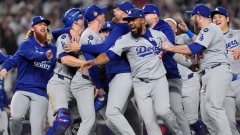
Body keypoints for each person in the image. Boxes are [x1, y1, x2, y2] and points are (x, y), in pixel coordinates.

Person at [80, 8, 183, 135]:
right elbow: (108, 55)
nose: (130, 23)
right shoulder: (125, 39)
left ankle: (178, 133)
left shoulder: (158, 35)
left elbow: (172, 52)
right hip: (140, 84)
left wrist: (190, 64)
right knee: (149, 121)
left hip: (158, 80)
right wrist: (93, 62)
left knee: (163, 111)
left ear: (143, 21)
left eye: (133, 20)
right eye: (128, 21)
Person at [64, 2, 143, 135]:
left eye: (117, 9)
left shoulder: (107, 33)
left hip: (103, 81)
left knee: (112, 118)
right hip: (87, 81)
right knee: (92, 121)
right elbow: (91, 64)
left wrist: (79, 46)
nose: (112, 11)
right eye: (102, 12)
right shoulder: (89, 35)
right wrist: (99, 86)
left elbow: (103, 50)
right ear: (98, 17)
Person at [161, 4, 232, 135]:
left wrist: (170, 48)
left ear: (199, 16)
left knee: (214, 108)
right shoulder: (205, 31)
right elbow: (199, 51)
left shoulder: (210, 28)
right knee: (206, 116)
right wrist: (194, 58)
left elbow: (194, 47)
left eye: (192, 15)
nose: (191, 18)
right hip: (208, 73)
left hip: (216, 70)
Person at [0, 16, 56, 135]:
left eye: (45, 25)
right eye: (39, 24)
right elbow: (30, 55)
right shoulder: (26, 44)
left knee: (37, 129)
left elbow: (58, 68)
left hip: (41, 92)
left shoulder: (53, 49)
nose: (43, 26)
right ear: (32, 28)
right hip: (22, 89)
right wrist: (5, 67)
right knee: (15, 117)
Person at [142, 4, 191, 135]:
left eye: (145, 14)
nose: (143, 16)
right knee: (149, 114)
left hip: (170, 75)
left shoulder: (165, 28)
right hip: (150, 78)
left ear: (154, 15)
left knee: (176, 110)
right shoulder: (142, 30)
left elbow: (168, 48)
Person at [45, 8, 87, 135]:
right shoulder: (65, 36)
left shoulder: (85, 36)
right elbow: (65, 59)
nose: (84, 19)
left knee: (82, 126)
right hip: (61, 83)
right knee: (62, 121)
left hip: (77, 85)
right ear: (75, 21)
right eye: (81, 17)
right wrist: (85, 63)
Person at [164, 17, 204, 135]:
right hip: (170, 82)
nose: (167, 29)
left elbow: (199, 41)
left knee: (191, 120)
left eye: (170, 26)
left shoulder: (182, 38)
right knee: (173, 117)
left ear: (176, 29)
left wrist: (187, 30)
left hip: (188, 81)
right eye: (164, 26)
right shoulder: (159, 42)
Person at [211, 7, 240, 135]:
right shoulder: (209, 40)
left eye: (220, 17)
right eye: (214, 17)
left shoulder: (237, 34)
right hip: (224, 86)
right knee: (229, 122)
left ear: (227, 19)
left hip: (239, 81)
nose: (217, 19)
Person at [0, 51, 11, 135]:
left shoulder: (1, 74)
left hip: (2, 108)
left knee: (5, 131)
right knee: (1, 128)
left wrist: (8, 104)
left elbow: (2, 90)